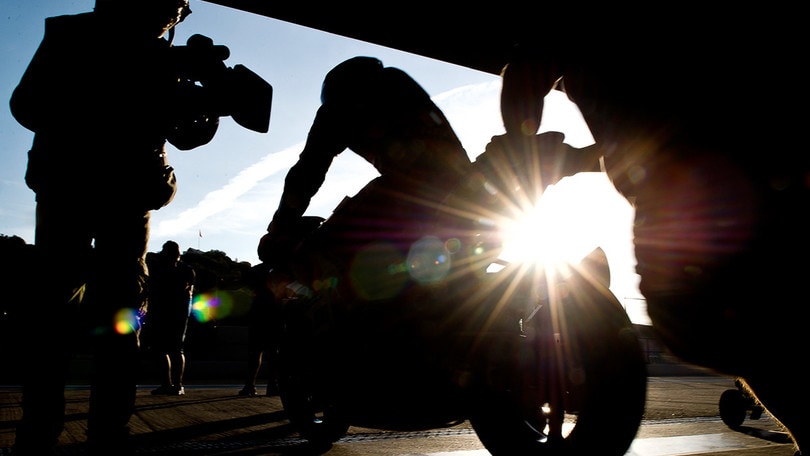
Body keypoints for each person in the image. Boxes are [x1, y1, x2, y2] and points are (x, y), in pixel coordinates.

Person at [8, 1, 222, 454]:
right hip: (80, 185)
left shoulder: (161, 57)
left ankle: (98, 431)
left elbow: (182, 133)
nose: (178, 14)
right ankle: (49, 431)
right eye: (174, 4)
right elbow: (27, 105)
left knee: (115, 310)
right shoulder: (78, 36)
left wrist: (200, 106)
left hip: (116, 191)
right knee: (64, 306)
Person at [257, 56, 472, 289]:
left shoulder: (339, 107)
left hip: (417, 194)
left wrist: (281, 224)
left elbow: (308, 171)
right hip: (465, 193)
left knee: (317, 252)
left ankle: (343, 299)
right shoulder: (397, 82)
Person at [144, 241, 195, 396]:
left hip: (164, 312)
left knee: (163, 349)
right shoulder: (187, 270)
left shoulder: (160, 268)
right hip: (178, 312)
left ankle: (168, 383)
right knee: (175, 349)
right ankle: (177, 385)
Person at [237, 264, 284, 397]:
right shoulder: (280, 270)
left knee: (257, 352)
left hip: (261, 312)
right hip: (272, 312)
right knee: (271, 352)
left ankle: (251, 385)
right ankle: (270, 385)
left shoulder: (255, 271)